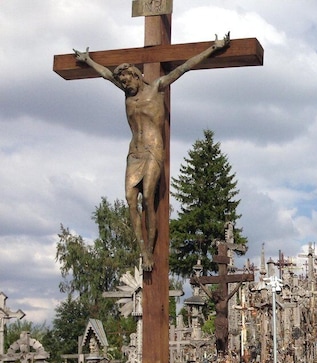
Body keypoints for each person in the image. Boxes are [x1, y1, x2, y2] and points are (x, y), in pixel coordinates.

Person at [74, 34, 231, 271]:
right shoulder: (127, 92)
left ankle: (149, 252)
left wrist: (213, 48)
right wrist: (87, 61)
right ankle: (141, 249)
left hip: (153, 148)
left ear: (137, 76)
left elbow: (185, 67)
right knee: (129, 199)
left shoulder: (157, 87)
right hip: (134, 151)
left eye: (128, 81)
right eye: (123, 83)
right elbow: (106, 74)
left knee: (148, 198)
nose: (125, 85)